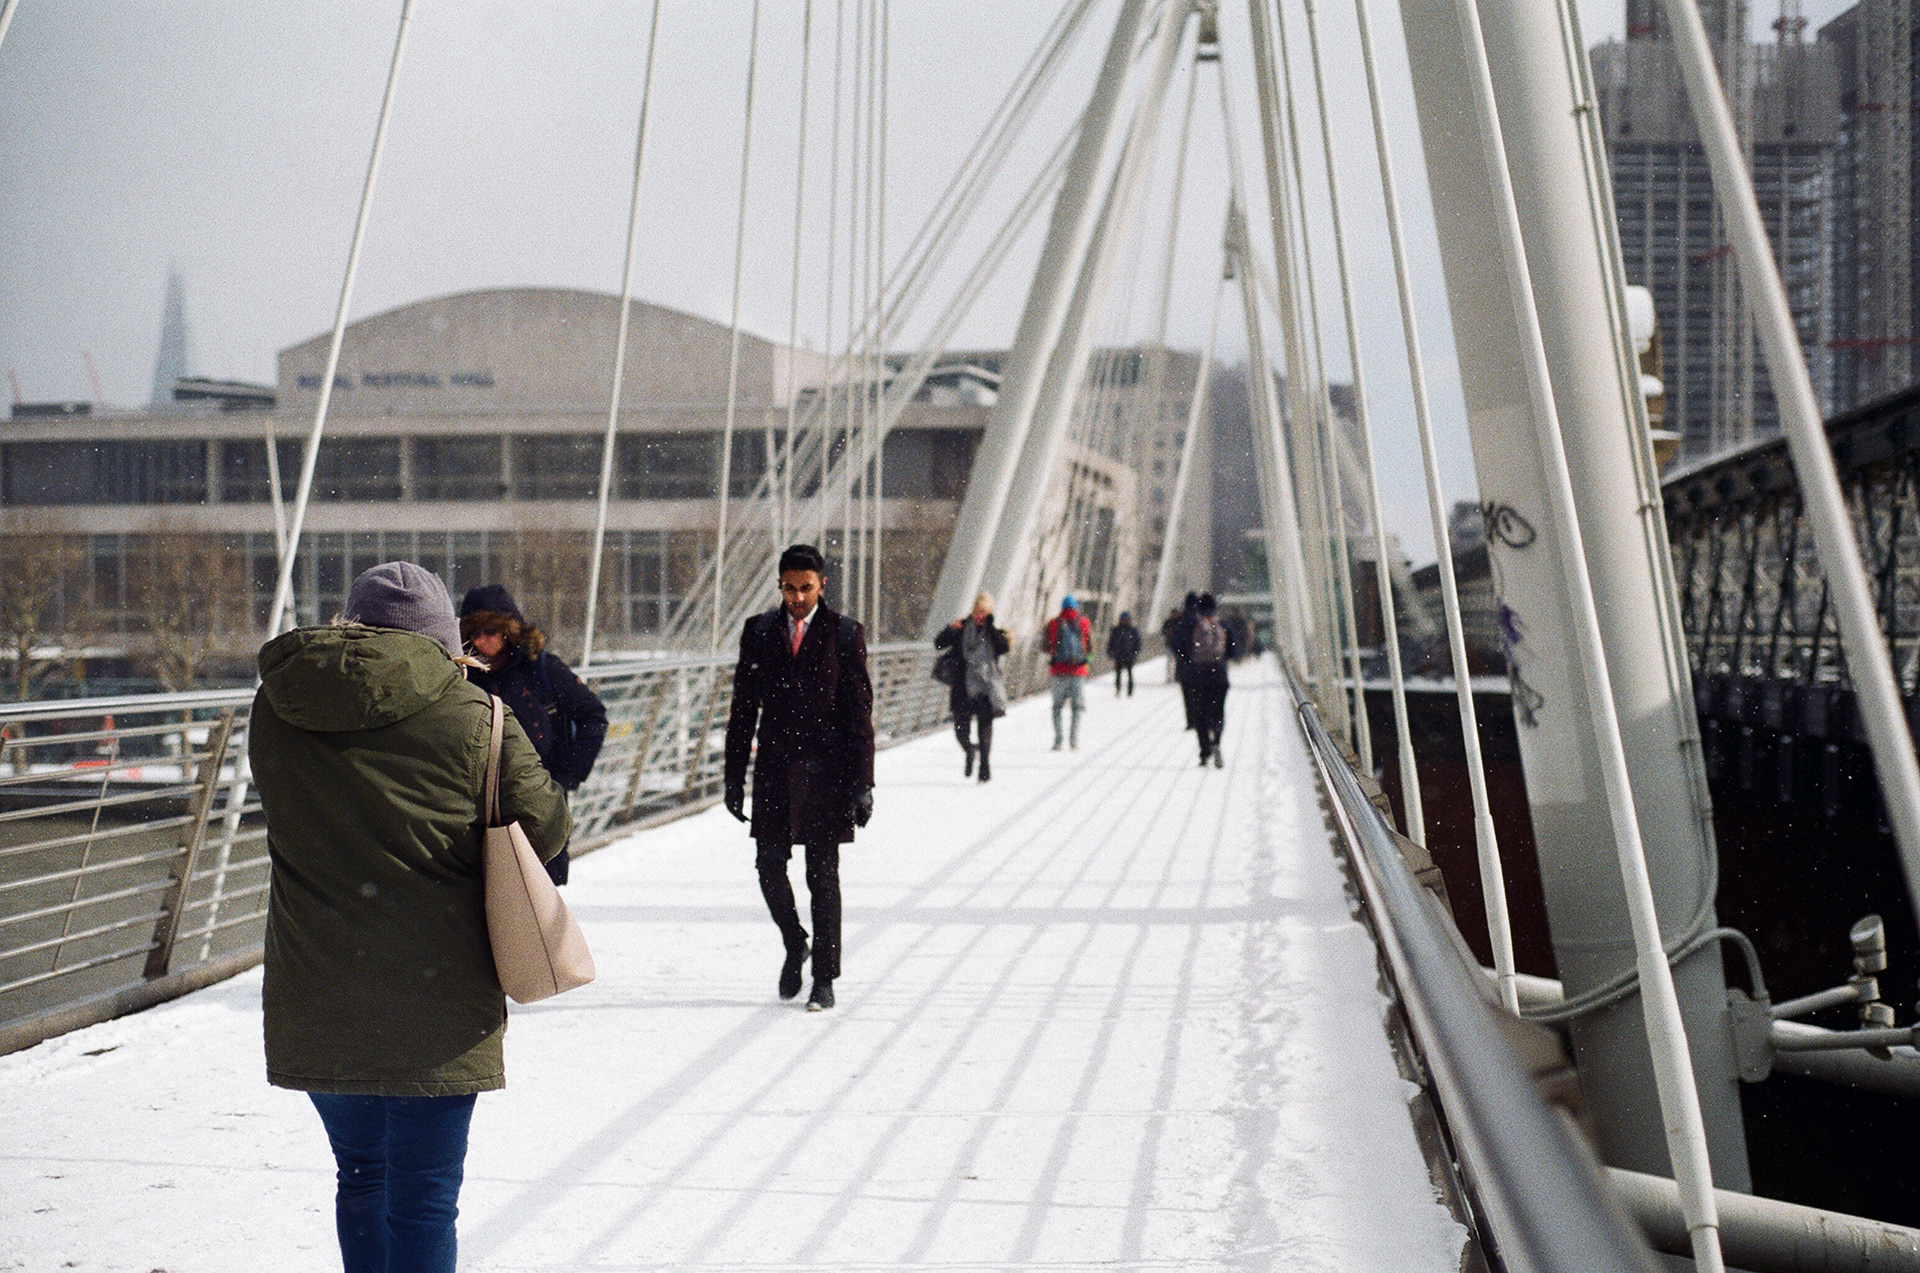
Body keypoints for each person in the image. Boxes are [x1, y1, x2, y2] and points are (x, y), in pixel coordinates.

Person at [251, 562, 572, 1273]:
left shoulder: (277, 705)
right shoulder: (478, 716)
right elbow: (546, 828)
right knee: (424, 1198)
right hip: (439, 999)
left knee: (361, 1176)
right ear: (442, 640)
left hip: (317, 990)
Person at [723, 543, 875, 1011]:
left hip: (828, 771)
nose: (797, 597)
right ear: (780, 586)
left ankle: (824, 977)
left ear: (822, 585)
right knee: (769, 867)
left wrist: (863, 783)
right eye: (789, 588)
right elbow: (743, 709)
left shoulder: (844, 634)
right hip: (774, 768)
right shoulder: (759, 631)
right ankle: (795, 942)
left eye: (806, 588)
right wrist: (733, 778)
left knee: (822, 876)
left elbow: (859, 714)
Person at [458, 584, 608, 885]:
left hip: (537, 800)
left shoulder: (540, 669)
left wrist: (566, 776)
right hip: (477, 805)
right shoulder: (462, 675)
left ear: (507, 630)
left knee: (537, 891)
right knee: (481, 889)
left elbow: (593, 716)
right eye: (473, 633)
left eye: (490, 630)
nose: (481, 639)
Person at [935, 591, 1009, 782]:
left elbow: (1003, 648)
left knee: (984, 729)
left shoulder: (993, 632)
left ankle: (984, 767)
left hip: (985, 687)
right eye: (977, 611)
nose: (979, 616)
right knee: (960, 732)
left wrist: (991, 628)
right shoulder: (962, 628)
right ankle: (970, 750)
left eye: (984, 612)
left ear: (989, 613)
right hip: (962, 687)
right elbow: (939, 644)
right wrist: (950, 629)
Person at [1186, 592, 1240, 767]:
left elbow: (1182, 647)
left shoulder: (1193, 624)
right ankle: (1216, 739)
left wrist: (1190, 663)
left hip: (1198, 676)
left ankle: (1204, 751)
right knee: (1217, 711)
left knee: (1200, 713)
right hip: (1219, 675)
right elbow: (1234, 650)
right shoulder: (1223, 624)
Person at [1045, 594, 1092, 750]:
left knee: (1057, 707)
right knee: (1076, 708)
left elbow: (1046, 646)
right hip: (1078, 671)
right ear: (1076, 607)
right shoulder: (1084, 622)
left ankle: (1058, 740)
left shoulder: (1053, 623)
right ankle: (1074, 742)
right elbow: (1090, 648)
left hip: (1058, 670)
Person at [1165, 592, 1200, 730]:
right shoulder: (1201, 620)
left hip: (1185, 664)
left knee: (1187, 693)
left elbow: (1175, 642)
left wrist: (1182, 656)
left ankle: (1191, 720)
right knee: (1200, 692)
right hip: (1201, 664)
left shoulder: (1181, 621)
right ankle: (1201, 719)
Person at [1106, 611, 1142, 697]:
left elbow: (1137, 642)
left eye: (1126, 619)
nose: (1124, 621)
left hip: (1129, 655)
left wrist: (1135, 653)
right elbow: (1111, 642)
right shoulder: (1116, 630)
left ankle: (1130, 691)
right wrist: (1110, 652)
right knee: (1118, 674)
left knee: (1129, 674)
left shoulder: (1132, 630)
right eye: (1123, 619)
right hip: (1119, 655)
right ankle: (1118, 689)